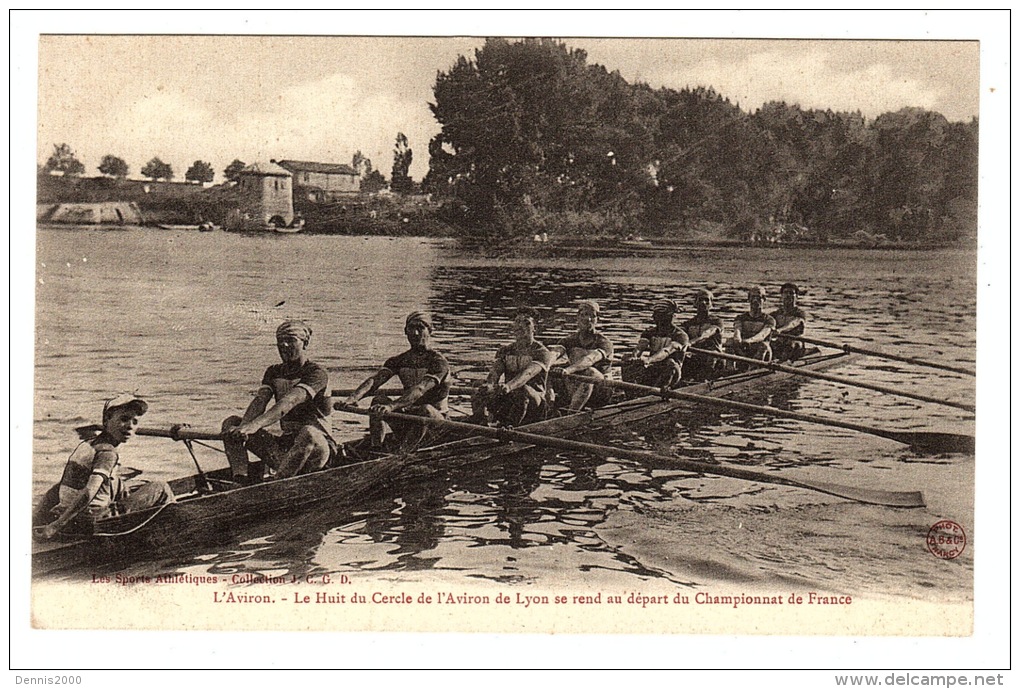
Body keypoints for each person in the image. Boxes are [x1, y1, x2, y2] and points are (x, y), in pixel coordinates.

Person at [33, 394, 175, 539]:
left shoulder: (88, 443)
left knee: (122, 481)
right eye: (124, 419)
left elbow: (59, 487)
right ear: (107, 419)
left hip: (69, 515)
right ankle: (170, 533)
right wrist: (55, 527)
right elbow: (89, 492)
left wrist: (37, 519)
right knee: (160, 487)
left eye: (135, 421)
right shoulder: (107, 453)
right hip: (95, 520)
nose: (130, 426)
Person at [222, 320, 335, 483]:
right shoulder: (273, 371)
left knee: (308, 432)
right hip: (287, 447)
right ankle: (240, 479)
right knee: (230, 422)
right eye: (280, 340)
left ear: (305, 343)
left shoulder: (317, 373)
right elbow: (260, 401)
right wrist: (243, 427)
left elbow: (288, 402)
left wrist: (254, 426)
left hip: (318, 450)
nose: (284, 345)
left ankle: (277, 483)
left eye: (291, 340)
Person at [344, 311, 451, 451]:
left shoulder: (438, 362)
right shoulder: (399, 360)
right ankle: (376, 449)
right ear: (405, 331)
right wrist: (352, 398)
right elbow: (375, 381)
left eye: (420, 328)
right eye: (411, 328)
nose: (415, 333)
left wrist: (391, 407)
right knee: (378, 400)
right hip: (411, 417)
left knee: (426, 410)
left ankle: (402, 455)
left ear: (430, 331)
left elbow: (419, 389)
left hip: (437, 423)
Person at [472, 307, 555, 427]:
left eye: (526, 323)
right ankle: (480, 423)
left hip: (536, 403)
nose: (520, 326)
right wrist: (488, 386)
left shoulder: (542, 352)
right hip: (510, 397)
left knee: (522, 389)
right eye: (517, 322)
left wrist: (509, 386)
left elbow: (528, 373)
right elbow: (494, 373)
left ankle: (510, 428)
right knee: (479, 387)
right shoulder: (505, 350)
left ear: (534, 328)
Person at [549, 300, 615, 413]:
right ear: (578, 318)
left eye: (592, 316)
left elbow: (590, 359)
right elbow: (555, 353)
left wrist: (568, 370)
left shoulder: (604, 342)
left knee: (591, 372)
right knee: (547, 371)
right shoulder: (568, 340)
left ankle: (570, 415)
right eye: (584, 314)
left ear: (596, 320)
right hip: (575, 383)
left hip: (601, 388)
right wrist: (546, 364)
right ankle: (548, 409)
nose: (588, 319)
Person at [621, 299, 689, 390]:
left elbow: (666, 351)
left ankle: (658, 391)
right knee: (626, 357)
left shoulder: (680, 335)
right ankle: (631, 393)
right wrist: (634, 357)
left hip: (671, 372)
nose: (653, 317)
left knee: (671, 363)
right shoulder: (649, 332)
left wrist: (649, 360)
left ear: (670, 317)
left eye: (658, 315)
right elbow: (640, 347)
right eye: (655, 314)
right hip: (653, 369)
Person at [680, 288, 725, 380]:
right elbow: (678, 335)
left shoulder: (717, 321)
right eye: (700, 300)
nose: (703, 303)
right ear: (695, 303)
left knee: (711, 356)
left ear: (711, 304)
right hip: (696, 356)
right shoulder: (688, 323)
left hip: (714, 358)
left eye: (707, 300)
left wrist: (691, 342)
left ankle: (704, 381)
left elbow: (707, 334)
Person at [725, 286, 777, 365]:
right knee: (729, 341)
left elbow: (762, 335)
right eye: (753, 297)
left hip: (761, 353)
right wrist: (737, 339)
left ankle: (754, 370)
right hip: (743, 350)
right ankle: (729, 369)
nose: (755, 300)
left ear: (764, 300)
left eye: (759, 298)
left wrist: (749, 341)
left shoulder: (769, 319)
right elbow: (737, 330)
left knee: (764, 345)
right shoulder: (740, 318)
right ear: (748, 299)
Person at [770, 282, 809, 362]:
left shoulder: (800, 313)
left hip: (795, 345)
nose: (788, 295)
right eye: (785, 293)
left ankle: (779, 365)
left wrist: (780, 330)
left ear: (796, 297)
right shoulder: (775, 314)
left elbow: (793, 323)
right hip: (780, 343)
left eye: (791, 293)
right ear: (781, 296)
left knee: (791, 344)